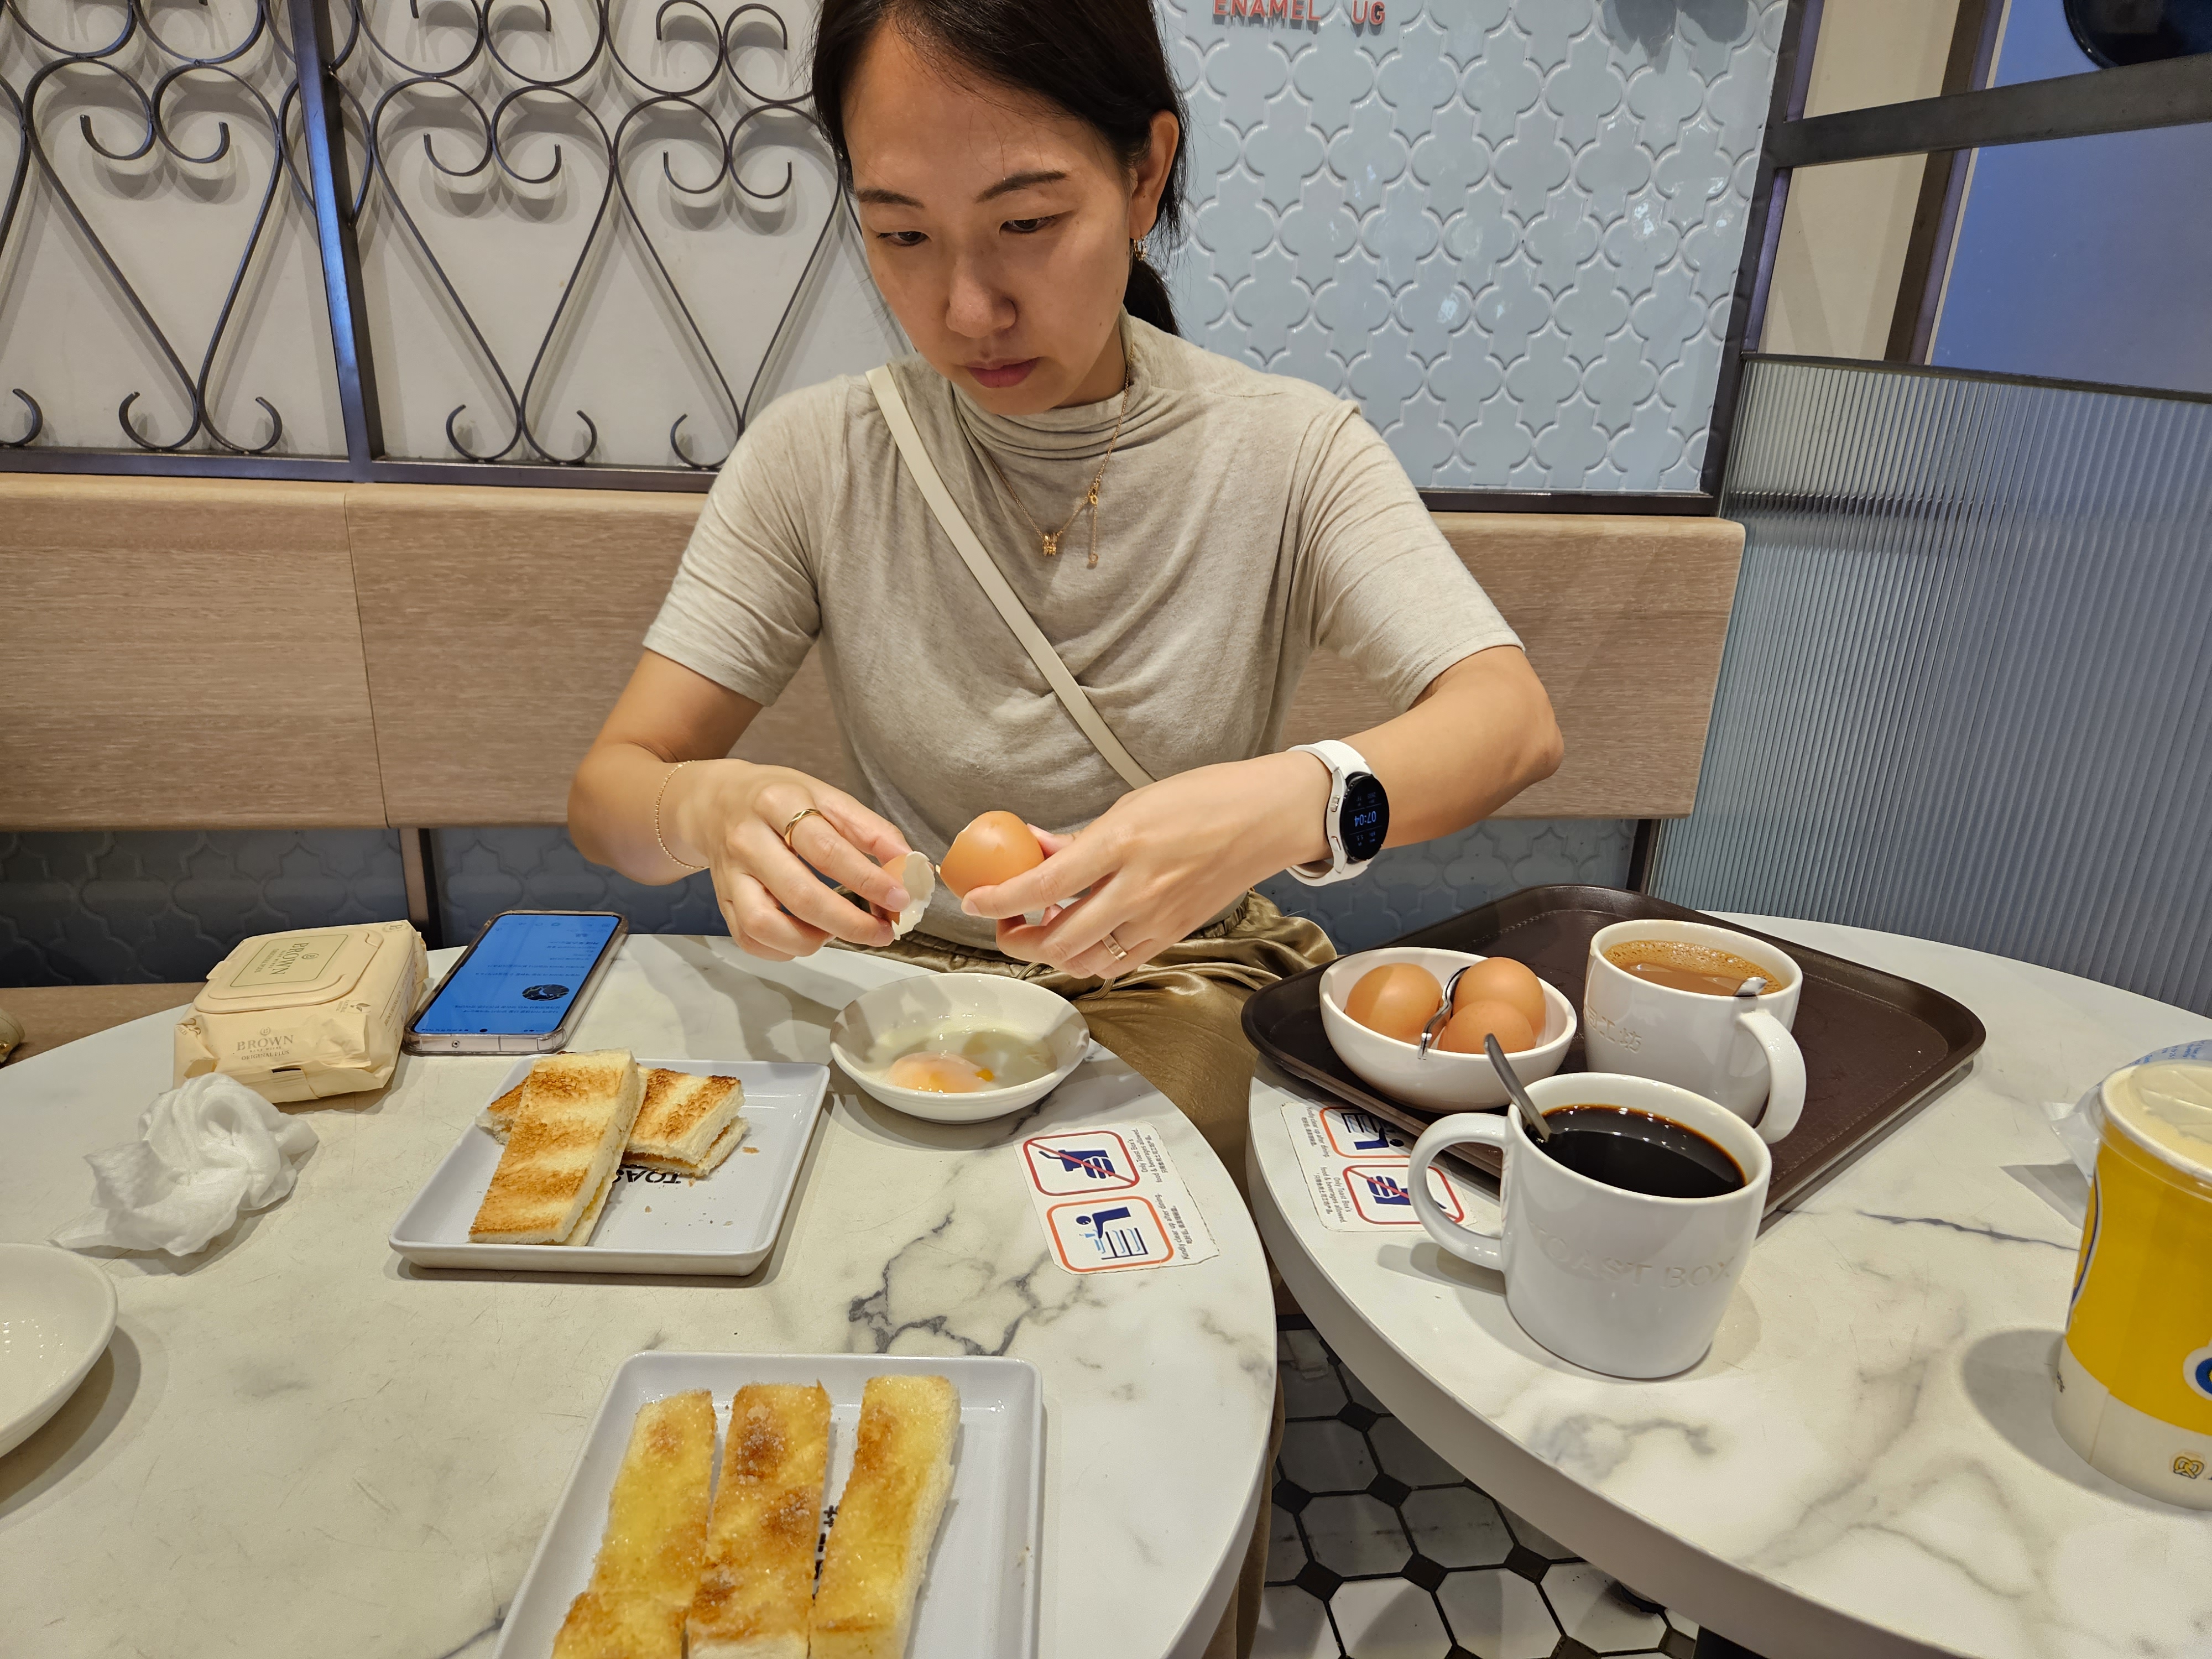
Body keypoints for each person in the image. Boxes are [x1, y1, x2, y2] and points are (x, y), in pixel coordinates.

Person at [570, 1, 1561, 1648]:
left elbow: (1509, 719)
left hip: (1174, 993)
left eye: (1027, 224)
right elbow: (612, 792)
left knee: (1118, 1370)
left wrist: (1287, 799)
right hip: (907, 999)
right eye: (901, 235)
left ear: (1146, 170)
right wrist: (704, 801)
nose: (966, 306)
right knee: (796, 1350)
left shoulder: (1287, 449)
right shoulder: (819, 457)